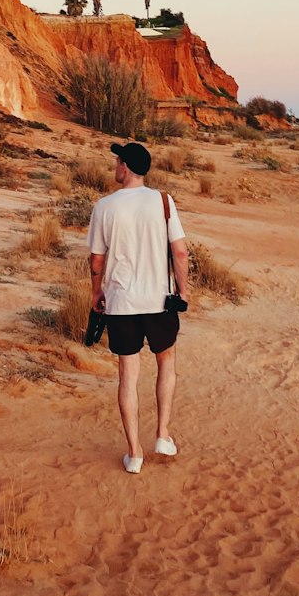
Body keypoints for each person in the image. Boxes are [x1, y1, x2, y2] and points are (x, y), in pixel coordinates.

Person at [87, 140, 190, 474]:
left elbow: (96, 259)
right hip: (160, 302)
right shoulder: (163, 202)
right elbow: (181, 252)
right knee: (166, 364)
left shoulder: (104, 207)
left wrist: (96, 292)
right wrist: (183, 291)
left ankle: (134, 454)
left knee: (127, 377)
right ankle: (162, 435)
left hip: (121, 303)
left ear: (126, 167)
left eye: (117, 162)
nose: (115, 167)